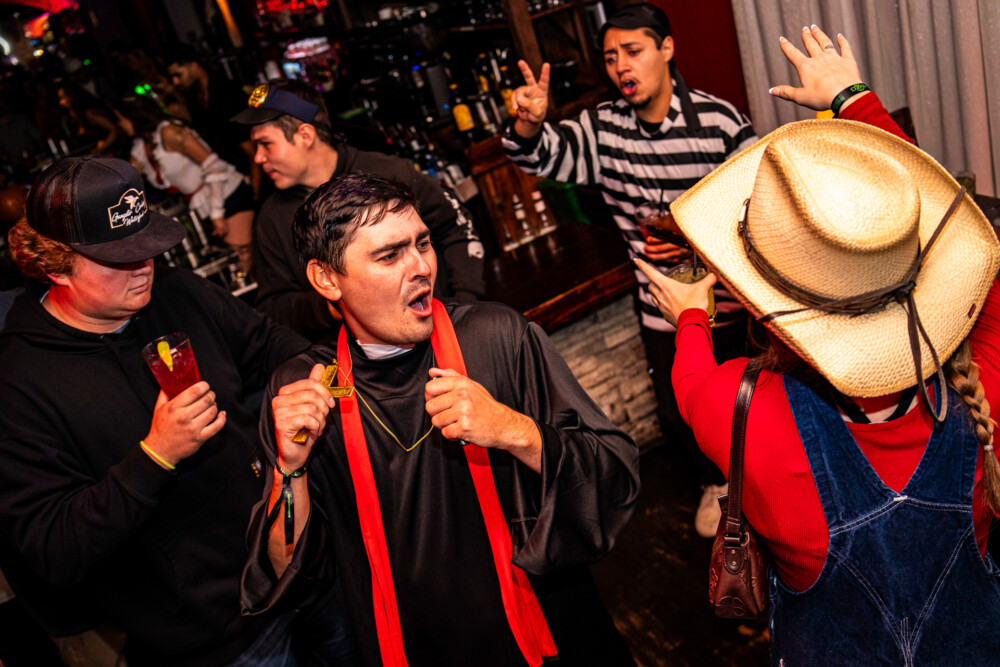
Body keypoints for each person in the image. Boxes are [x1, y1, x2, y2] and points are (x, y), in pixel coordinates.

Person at [637, 26, 1000, 663]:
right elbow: (963, 255)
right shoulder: (985, 386)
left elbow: (690, 385)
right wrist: (855, 100)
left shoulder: (737, 411)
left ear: (766, 312)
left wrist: (693, 319)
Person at [240, 173, 641, 666]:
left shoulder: (495, 336)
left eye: (423, 244)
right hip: (414, 650)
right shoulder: (306, 388)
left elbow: (615, 479)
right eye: (389, 255)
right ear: (327, 279)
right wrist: (291, 468)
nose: (421, 267)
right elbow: (286, 571)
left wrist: (513, 430)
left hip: (551, 635)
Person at [0, 156, 354, 666]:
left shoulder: (177, 291)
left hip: (307, 573)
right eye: (120, 257)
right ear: (54, 267)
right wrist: (156, 455)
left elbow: (271, 345)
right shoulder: (20, 384)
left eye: (146, 245)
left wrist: (307, 385)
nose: (144, 264)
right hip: (218, 638)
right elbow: (54, 548)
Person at [503, 2, 756, 537]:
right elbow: (542, 156)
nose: (621, 66)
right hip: (662, 310)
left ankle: (762, 486)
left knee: (749, 407)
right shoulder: (602, 129)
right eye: (611, 56)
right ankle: (719, 487)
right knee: (680, 413)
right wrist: (529, 123)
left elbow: (760, 211)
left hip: (733, 305)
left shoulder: (720, 121)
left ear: (666, 49)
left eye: (633, 52)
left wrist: (698, 240)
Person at [231, 79, 485, 341]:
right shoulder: (271, 219)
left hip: (441, 336)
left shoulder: (388, 173)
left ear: (305, 136)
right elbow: (274, 308)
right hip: (356, 366)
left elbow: (455, 228)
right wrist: (334, 304)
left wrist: (462, 311)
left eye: (266, 144)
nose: (258, 157)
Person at [118, 94, 256, 272]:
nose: (119, 125)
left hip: (229, 194)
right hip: (206, 204)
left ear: (133, 116)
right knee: (233, 263)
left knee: (243, 260)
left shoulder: (169, 132)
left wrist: (217, 213)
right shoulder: (141, 145)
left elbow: (215, 166)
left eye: (120, 119)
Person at [165, 45, 262, 198]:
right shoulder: (194, 97)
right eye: (172, 78)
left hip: (255, 176)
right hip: (233, 179)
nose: (175, 82)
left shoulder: (225, 93)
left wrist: (255, 190)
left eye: (178, 75)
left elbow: (251, 147)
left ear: (194, 66)